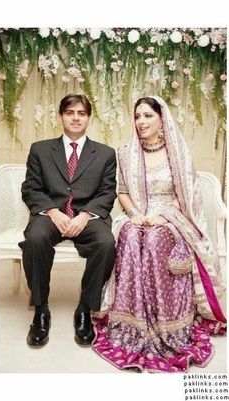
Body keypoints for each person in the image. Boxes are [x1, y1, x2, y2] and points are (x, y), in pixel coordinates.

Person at [92, 96, 226, 373]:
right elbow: (122, 192)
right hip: (139, 214)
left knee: (154, 240)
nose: (141, 121)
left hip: (171, 217)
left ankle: (165, 321)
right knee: (129, 236)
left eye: (147, 116)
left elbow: (185, 195)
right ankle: (131, 322)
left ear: (161, 118)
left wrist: (163, 217)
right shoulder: (126, 152)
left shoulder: (177, 152)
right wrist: (134, 215)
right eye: (137, 116)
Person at [19, 94, 117, 347]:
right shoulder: (40, 149)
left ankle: (85, 309)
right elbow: (31, 188)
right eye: (70, 112)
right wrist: (53, 212)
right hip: (51, 214)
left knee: (106, 243)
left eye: (81, 113)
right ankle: (41, 310)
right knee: (35, 238)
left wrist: (85, 216)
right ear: (61, 116)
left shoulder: (105, 154)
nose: (75, 117)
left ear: (88, 118)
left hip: (87, 216)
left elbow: (107, 192)